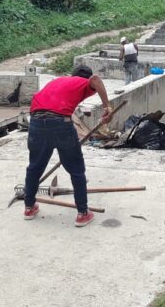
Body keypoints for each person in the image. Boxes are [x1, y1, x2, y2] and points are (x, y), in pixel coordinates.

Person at [23, 65, 113, 227]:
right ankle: (83, 213)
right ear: (84, 78)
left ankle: (29, 207)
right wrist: (107, 107)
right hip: (60, 124)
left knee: (34, 167)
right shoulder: (82, 82)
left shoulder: (57, 81)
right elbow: (96, 80)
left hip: (36, 122)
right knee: (76, 170)